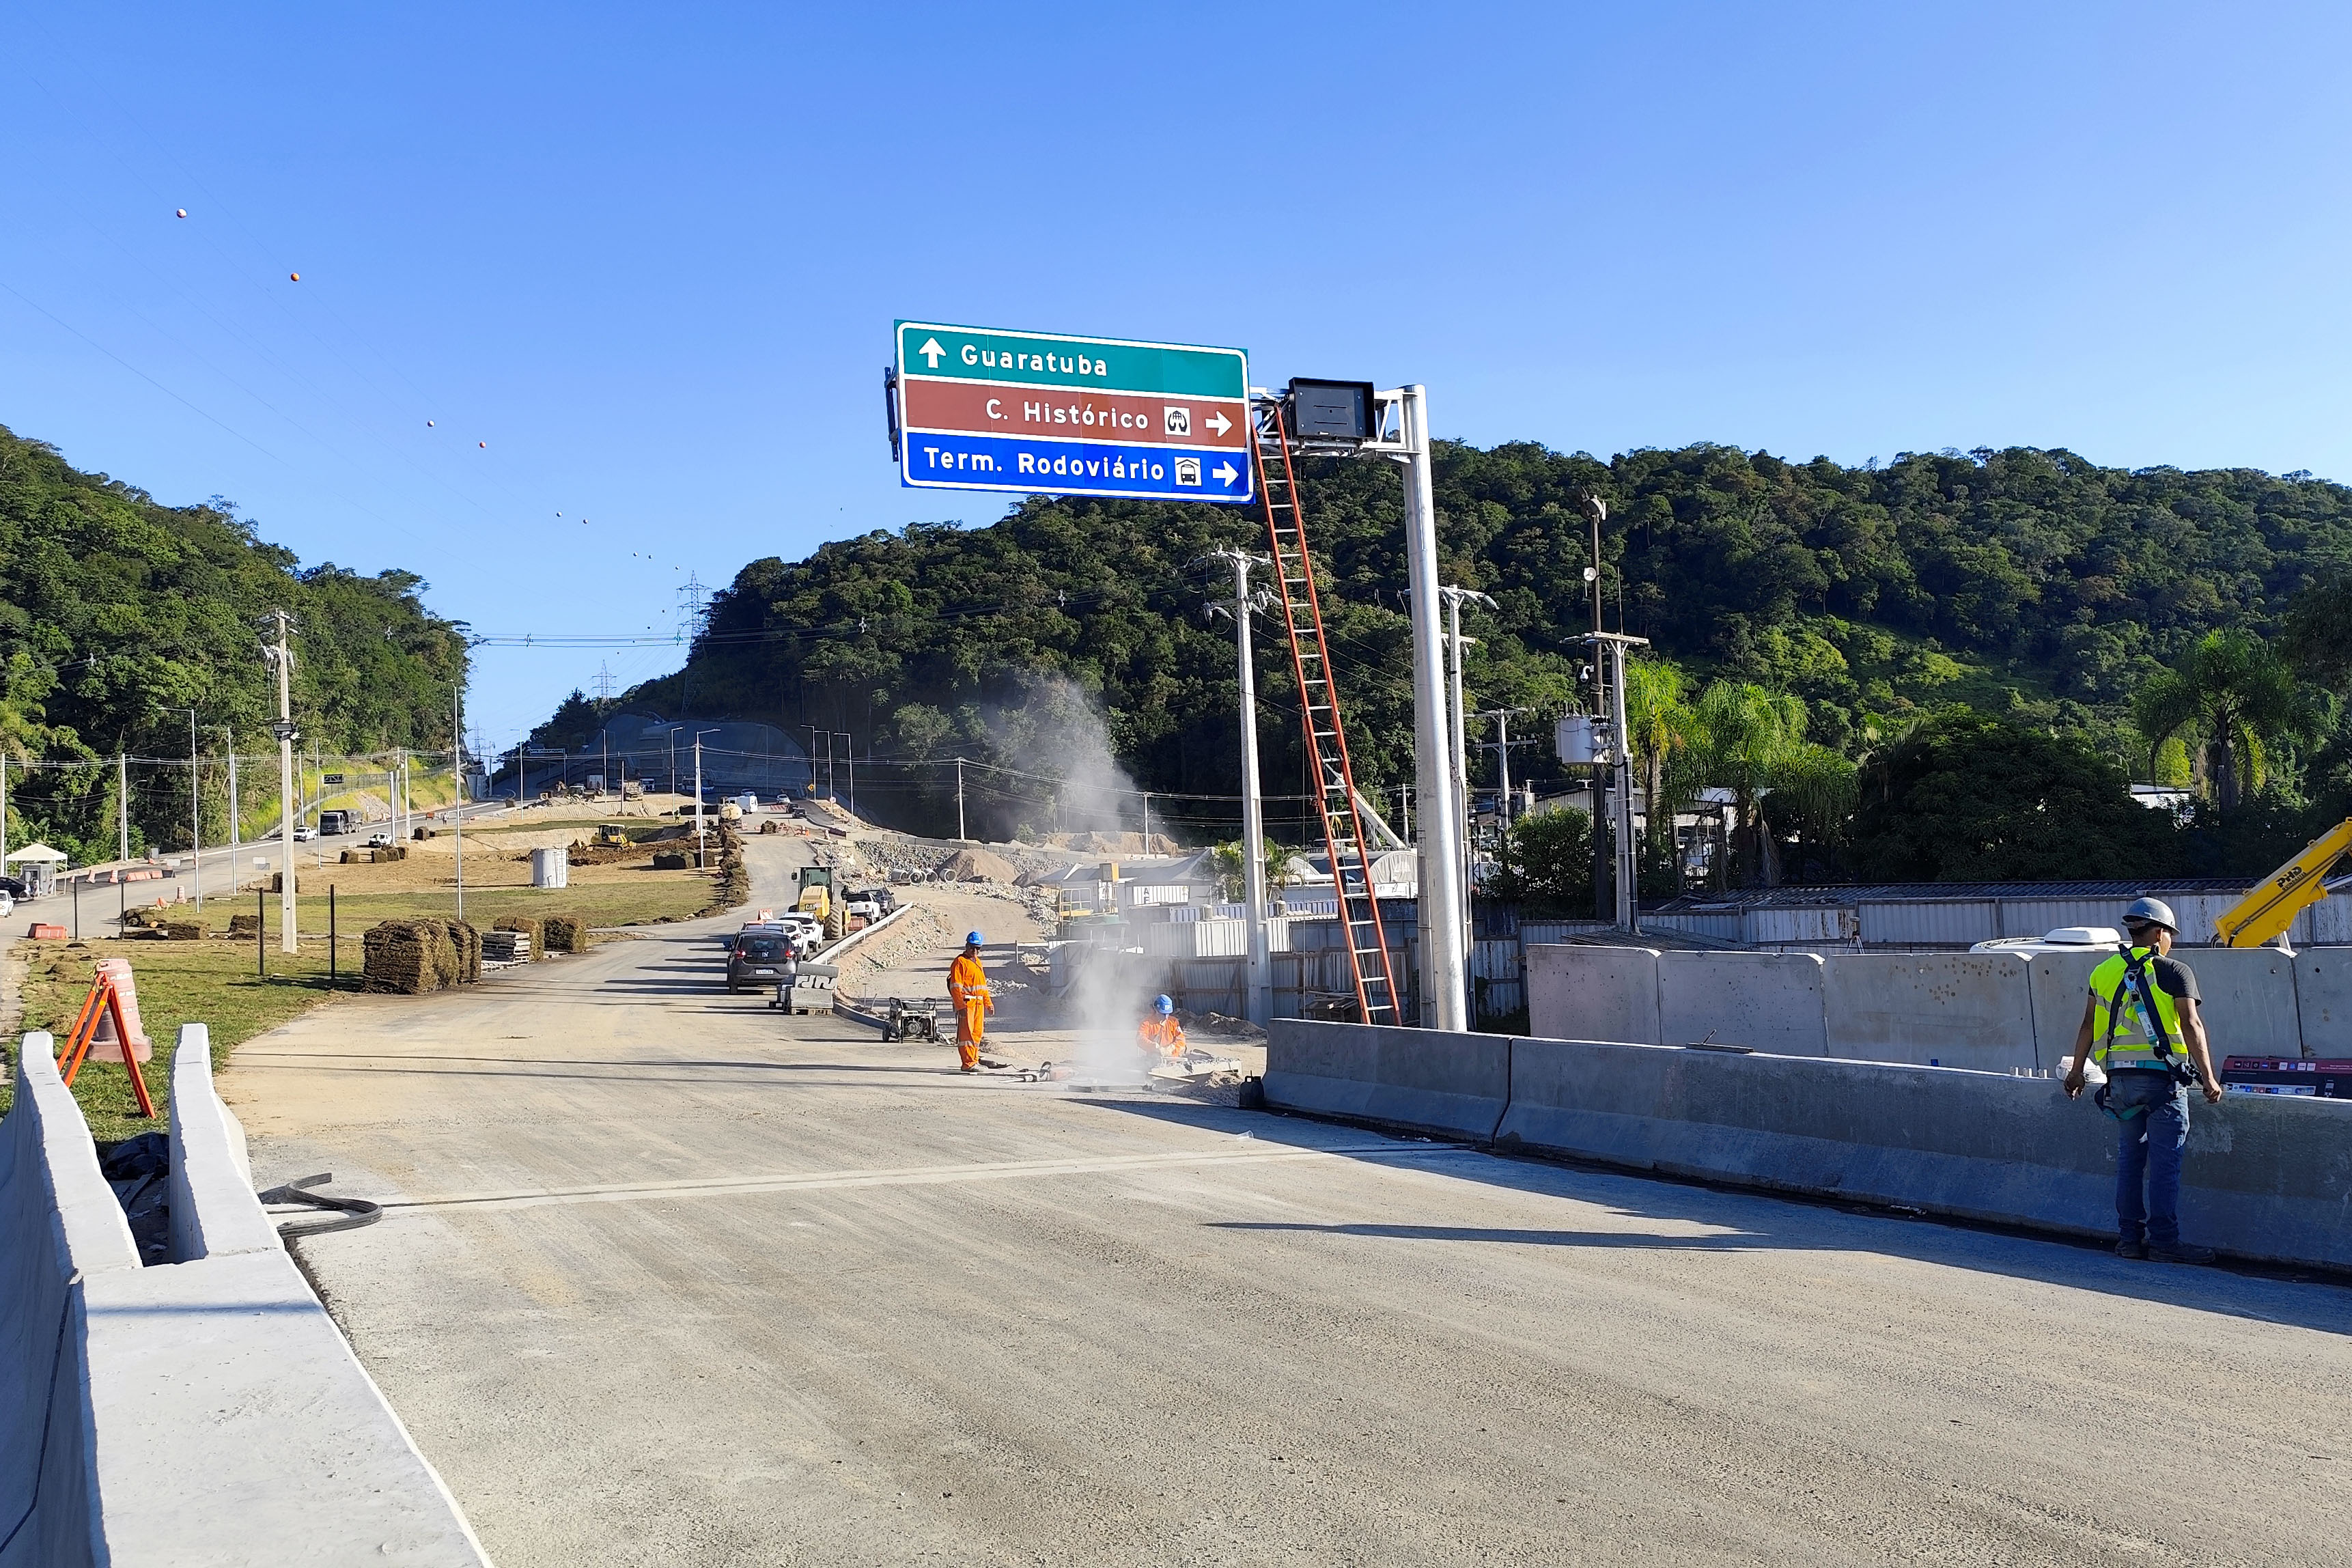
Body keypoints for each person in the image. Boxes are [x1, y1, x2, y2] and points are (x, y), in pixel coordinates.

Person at [2062, 897, 2224, 1263]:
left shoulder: (2102, 972)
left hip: (2119, 1084)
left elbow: (2088, 1025)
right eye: (2170, 935)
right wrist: (2210, 1079)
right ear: (2159, 933)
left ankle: (2129, 1240)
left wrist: (2076, 1072)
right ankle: (2165, 1243)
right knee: (2167, 1163)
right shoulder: (2175, 971)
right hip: (2163, 1083)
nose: (2171, 942)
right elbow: (2191, 1025)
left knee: (2130, 1162)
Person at [947, 931, 993, 1073]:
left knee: (977, 1034)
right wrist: (960, 1006)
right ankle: (968, 1063)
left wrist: (988, 1003)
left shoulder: (978, 963)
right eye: (972, 947)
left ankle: (974, 1059)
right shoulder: (960, 962)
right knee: (967, 1035)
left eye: (978, 948)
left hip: (978, 1005)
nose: (975, 951)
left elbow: (982, 986)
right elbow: (955, 987)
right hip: (967, 1005)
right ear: (967, 946)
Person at [1136, 994, 1186, 1063]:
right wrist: (1154, 1047)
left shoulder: (1173, 1022)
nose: (1166, 1017)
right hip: (1154, 1060)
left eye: (1167, 1014)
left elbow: (1181, 1040)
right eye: (1163, 1014)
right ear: (1156, 1010)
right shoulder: (1146, 1023)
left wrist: (1172, 1048)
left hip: (1173, 1060)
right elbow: (1140, 1039)